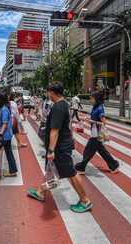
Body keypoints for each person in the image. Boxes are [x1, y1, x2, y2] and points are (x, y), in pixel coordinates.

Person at [27, 82, 93, 213]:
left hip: (59, 147)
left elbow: (55, 130)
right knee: (51, 170)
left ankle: (85, 200)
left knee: (71, 173)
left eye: (48, 92)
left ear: (52, 92)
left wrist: (51, 150)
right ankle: (41, 192)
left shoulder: (58, 107)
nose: (47, 94)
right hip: (62, 145)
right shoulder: (64, 104)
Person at [75, 91, 119, 174]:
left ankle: (80, 167)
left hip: (98, 133)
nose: (90, 100)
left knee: (88, 150)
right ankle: (114, 165)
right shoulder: (95, 107)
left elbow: (103, 123)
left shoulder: (100, 108)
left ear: (96, 99)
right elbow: (94, 119)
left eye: (92, 98)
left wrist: (93, 121)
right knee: (102, 151)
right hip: (94, 132)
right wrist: (88, 119)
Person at [0, 93, 18, 181]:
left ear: (0, 100)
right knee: (9, 153)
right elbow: (5, 124)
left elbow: (5, 124)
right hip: (7, 135)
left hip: (4, 136)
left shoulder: (3, 109)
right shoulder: (5, 108)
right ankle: (13, 171)